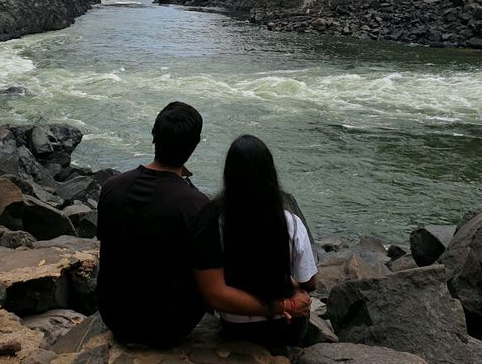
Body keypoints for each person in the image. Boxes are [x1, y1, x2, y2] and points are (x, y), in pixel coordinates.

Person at [97, 103, 310, 349]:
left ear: (154, 134)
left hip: (115, 318)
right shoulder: (196, 206)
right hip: (167, 326)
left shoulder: (112, 187)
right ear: (194, 146)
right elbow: (215, 294)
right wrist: (283, 305)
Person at [191, 134, 318, 349]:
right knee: (301, 296)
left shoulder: (216, 222)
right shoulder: (290, 223)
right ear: (271, 174)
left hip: (234, 325)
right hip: (285, 327)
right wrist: (291, 286)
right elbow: (310, 283)